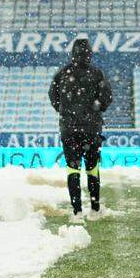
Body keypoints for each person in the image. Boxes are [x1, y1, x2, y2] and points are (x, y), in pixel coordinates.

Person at [48, 37, 113, 216]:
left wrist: (63, 110)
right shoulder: (97, 73)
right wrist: (97, 108)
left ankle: (76, 211)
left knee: (73, 169)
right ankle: (95, 208)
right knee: (92, 169)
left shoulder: (62, 74)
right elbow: (107, 96)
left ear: (73, 54)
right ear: (89, 54)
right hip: (91, 130)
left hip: (69, 130)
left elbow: (52, 95)